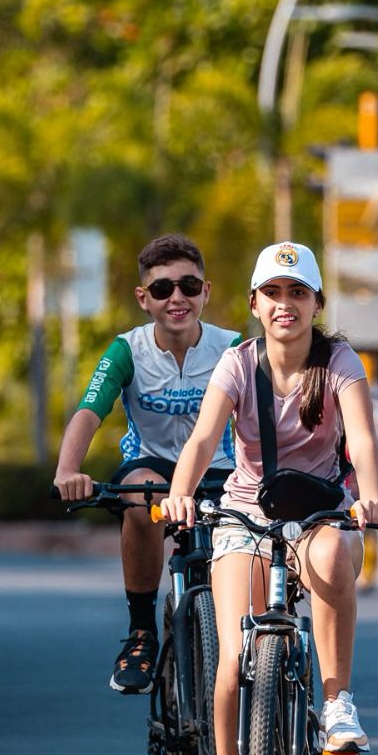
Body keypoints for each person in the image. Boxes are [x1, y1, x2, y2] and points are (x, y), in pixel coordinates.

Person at [159, 241, 378, 755]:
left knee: (337, 554)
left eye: (298, 293)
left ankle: (337, 701)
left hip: (318, 512)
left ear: (316, 303)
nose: (285, 305)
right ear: (254, 303)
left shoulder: (339, 362)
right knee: (234, 654)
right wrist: (181, 496)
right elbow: (205, 438)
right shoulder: (237, 364)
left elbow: (363, 441)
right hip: (246, 516)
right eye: (273, 294)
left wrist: (370, 498)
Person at [52, 234, 240, 693]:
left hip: (218, 472)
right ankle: (141, 632)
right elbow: (89, 411)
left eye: (189, 286)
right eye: (162, 289)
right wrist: (67, 470)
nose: (177, 298)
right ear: (143, 298)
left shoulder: (234, 348)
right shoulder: (127, 351)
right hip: (151, 470)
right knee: (143, 492)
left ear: (206, 292)